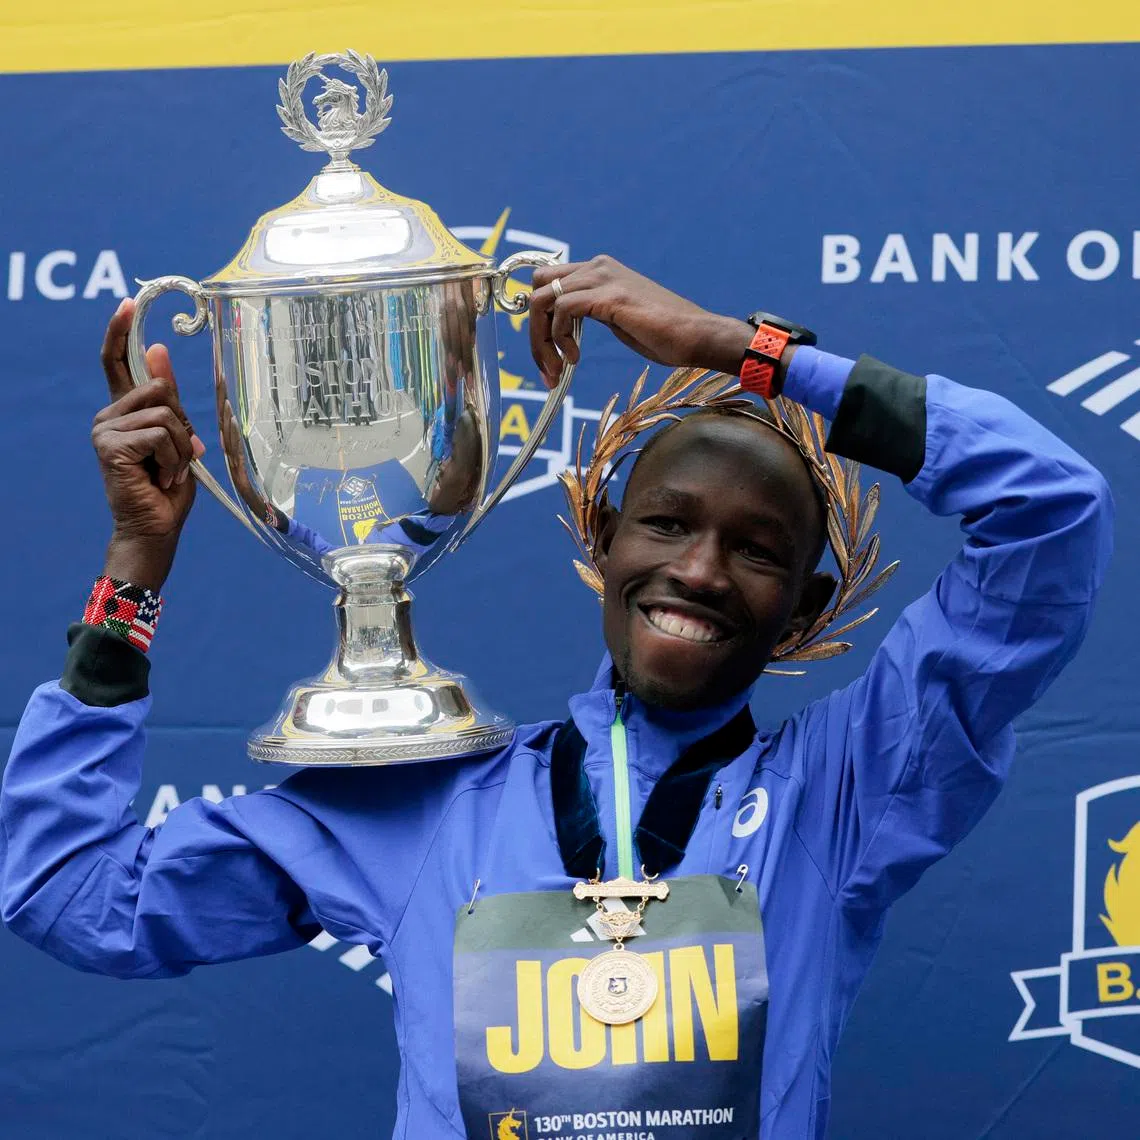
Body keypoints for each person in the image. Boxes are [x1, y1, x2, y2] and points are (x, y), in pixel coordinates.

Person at [0, 258, 1112, 1139]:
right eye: (668, 523)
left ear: (807, 604)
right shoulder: (433, 805)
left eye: (758, 551)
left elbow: (1053, 512)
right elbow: (70, 895)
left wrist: (749, 353)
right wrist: (136, 565)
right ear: (602, 538)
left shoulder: (851, 792)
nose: (702, 571)